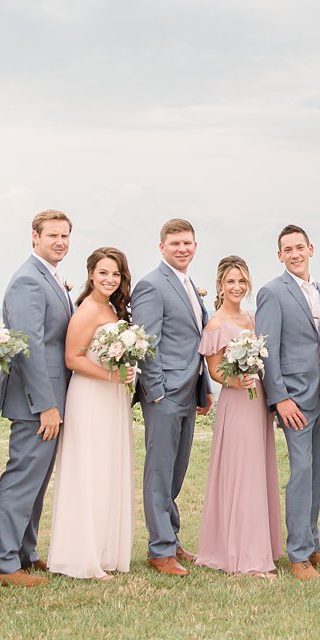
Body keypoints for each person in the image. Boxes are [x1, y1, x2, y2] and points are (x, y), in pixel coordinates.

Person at [0, 209, 74, 587]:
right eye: (52, 235)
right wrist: (46, 405)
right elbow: (28, 348)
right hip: (35, 400)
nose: (59, 242)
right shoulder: (28, 280)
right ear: (34, 237)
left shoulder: (50, 277)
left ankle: (25, 551)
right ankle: (1, 562)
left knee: (38, 479)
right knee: (23, 477)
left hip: (50, 395)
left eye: (65, 236)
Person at [47, 247, 137, 579]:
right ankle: (81, 555)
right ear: (91, 274)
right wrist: (112, 376)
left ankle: (104, 549)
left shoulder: (112, 308)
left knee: (107, 469)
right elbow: (73, 358)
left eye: (115, 274)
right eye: (103, 273)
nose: (109, 279)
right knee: (90, 470)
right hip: (90, 397)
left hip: (111, 397)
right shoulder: (87, 310)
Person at [130, 218, 213, 576]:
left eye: (188, 243)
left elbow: (195, 341)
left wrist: (203, 386)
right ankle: (159, 549)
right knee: (160, 469)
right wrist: (158, 391)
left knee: (177, 471)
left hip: (189, 389)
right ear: (161, 247)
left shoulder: (189, 284)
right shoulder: (151, 284)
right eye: (175, 243)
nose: (182, 248)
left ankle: (172, 538)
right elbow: (147, 343)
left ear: (195, 247)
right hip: (165, 395)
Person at [254, 225, 320, 580]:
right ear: (280, 255)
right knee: (301, 472)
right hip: (294, 400)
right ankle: (297, 554)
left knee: (317, 473)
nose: (295, 253)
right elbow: (267, 350)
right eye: (287, 249)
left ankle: (313, 543)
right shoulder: (272, 292)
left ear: (311, 249)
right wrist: (280, 399)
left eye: (300, 247)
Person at [196, 256, 283, 577]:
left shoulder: (253, 318)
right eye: (231, 281)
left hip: (258, 399)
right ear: (220, 285)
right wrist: (235, 379)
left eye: (242, 281)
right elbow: (215, 369)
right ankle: (243, 554)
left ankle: (264, 545)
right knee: (242, 471)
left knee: (258, 469)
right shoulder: (216, 324)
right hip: (237, 399)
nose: (237, 287)